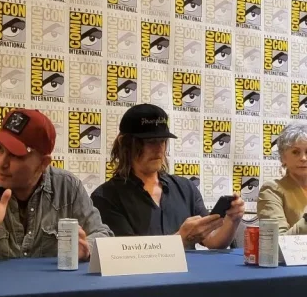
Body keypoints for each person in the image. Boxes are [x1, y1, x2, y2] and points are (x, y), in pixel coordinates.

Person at [0, 108, 111, 262]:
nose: (2, 163)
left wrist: (86, 248)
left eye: (15, 155)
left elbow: (103, 236)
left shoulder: (68, 188)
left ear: (43, 163)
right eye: (0, 149)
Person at [90, 104, 243, 249]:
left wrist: (232, 220)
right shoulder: (106, 198)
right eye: (150, 141)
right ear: (126, 144)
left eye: (162, 141)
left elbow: (213, 240)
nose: (158, 148)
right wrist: (181, 239)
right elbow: (127, 254)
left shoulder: (185, 188)